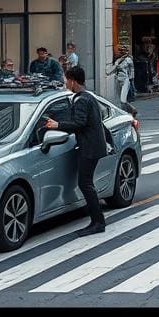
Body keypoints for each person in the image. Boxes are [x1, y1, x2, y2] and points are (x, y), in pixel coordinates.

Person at [45, 66, 107, 237]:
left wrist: (57, 125)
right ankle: (97, 221)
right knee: (86, 183)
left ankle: (98, 221)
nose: (65, 82)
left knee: (85, 184)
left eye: (66, 79)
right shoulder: (87, 97)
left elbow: (79, 123)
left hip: (89, 147)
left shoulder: (81, 100)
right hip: (92, 145)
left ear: (73, 80)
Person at [106, 46, 137, 116]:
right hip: (118, 80)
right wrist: (108, 73)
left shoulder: (129, 60)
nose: (122, 52)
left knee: (122, 100)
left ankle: (125, 113)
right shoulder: (118, 60)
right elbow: (113, 69)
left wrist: (131, 80)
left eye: (123, 51)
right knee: (120, 100)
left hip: (125, 80)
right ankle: (132, 109)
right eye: (121, 51)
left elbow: (132, 70)